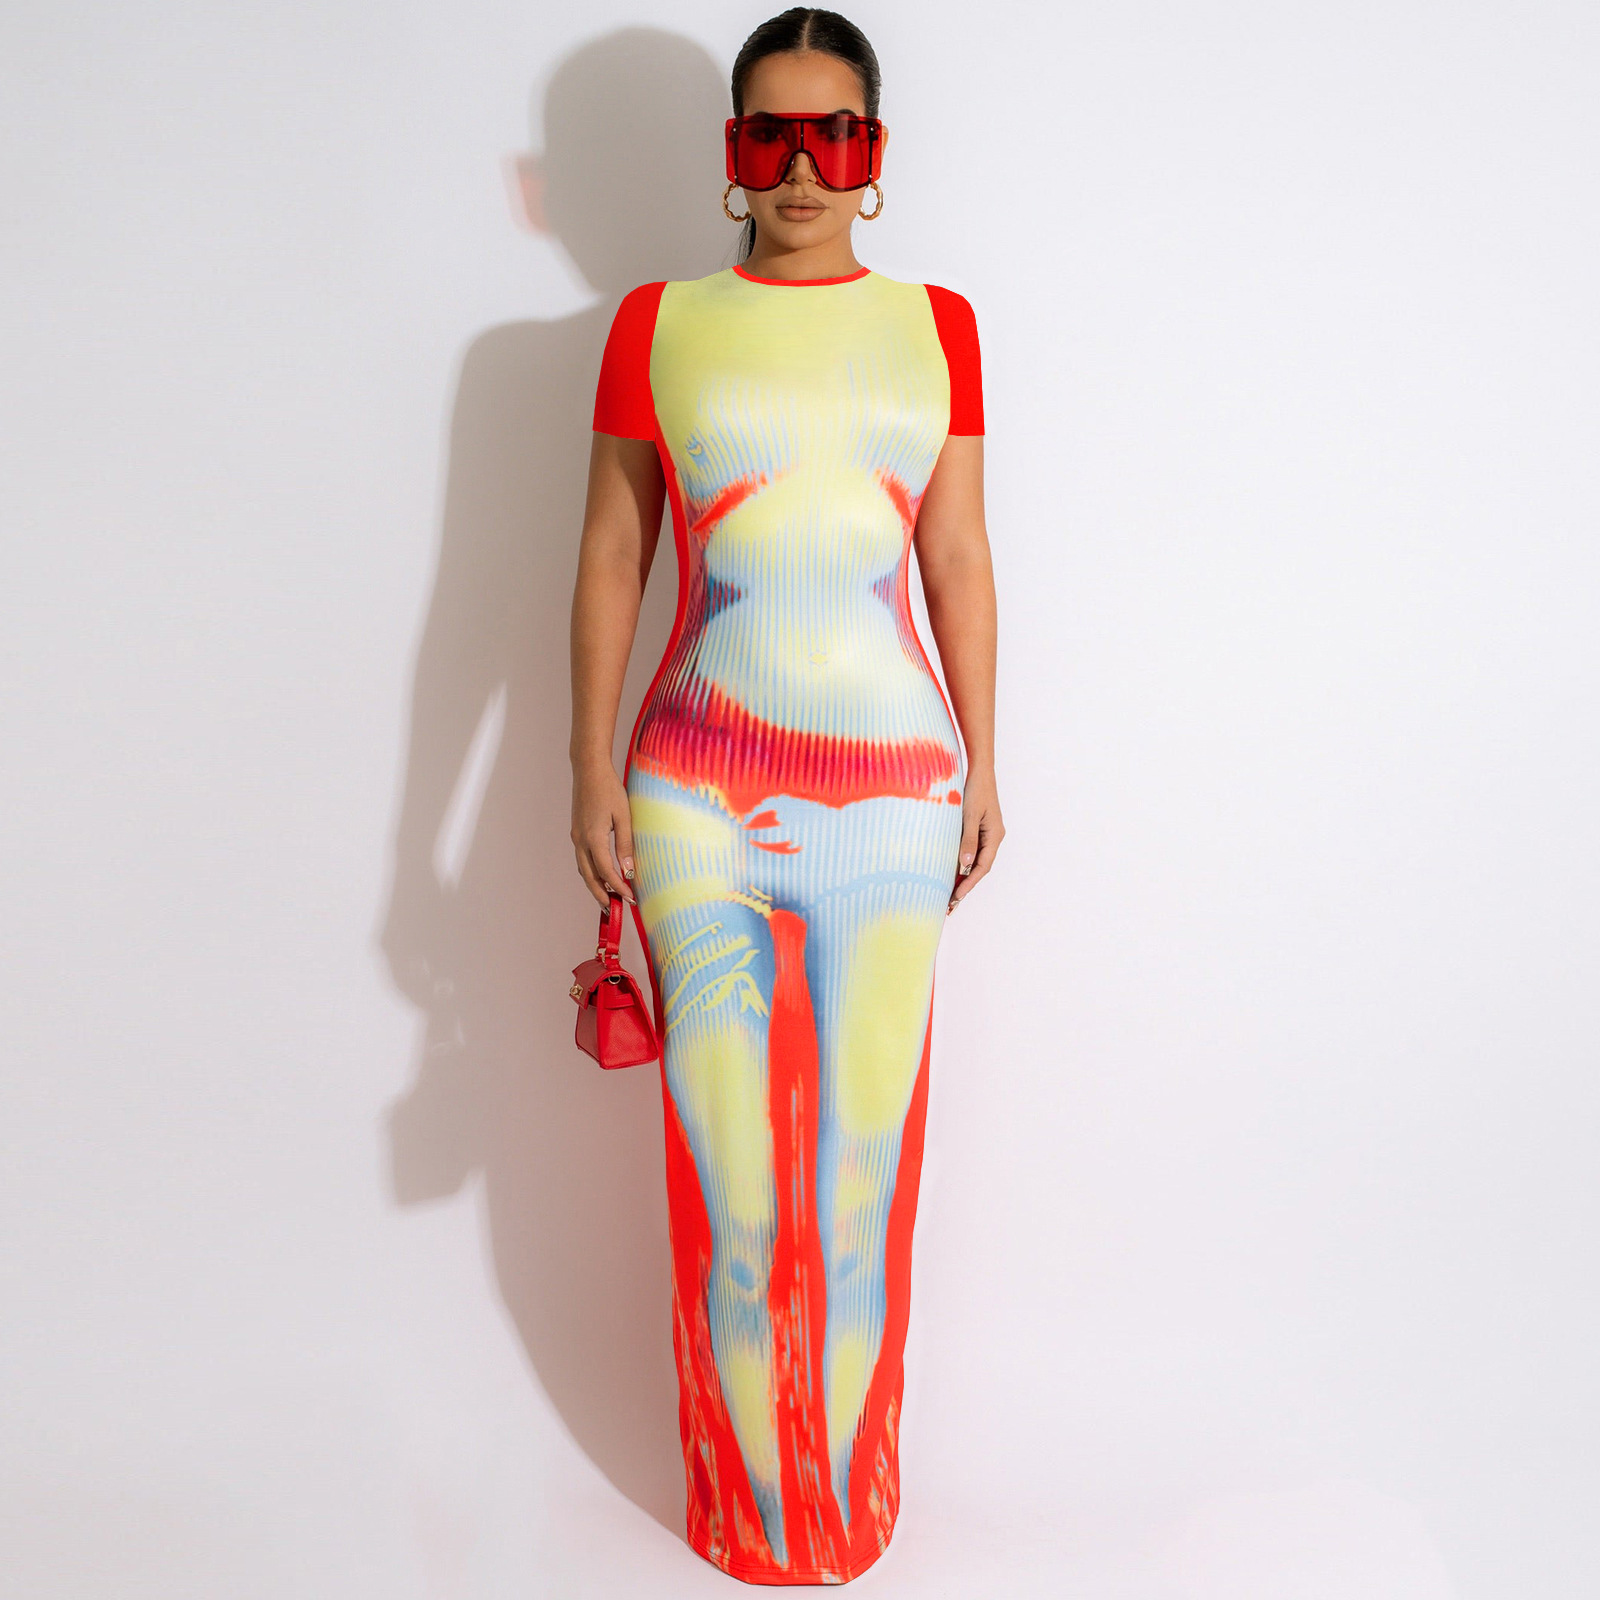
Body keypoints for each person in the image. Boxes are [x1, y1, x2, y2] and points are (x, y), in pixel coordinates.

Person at [568, 6, 1002, 1584]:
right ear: (733, 153)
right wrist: (586, 765)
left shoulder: (939, 326)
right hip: (695, 791)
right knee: (728, 1191)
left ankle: (849, 1508)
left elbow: (956, 555)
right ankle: (747, 1513)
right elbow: (614, 551)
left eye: (836, 135)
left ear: (874, 156)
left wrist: (987, 759)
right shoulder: (658, 324)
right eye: (771, 135)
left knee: (866, 1179)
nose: (803, 167)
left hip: (894, 799)